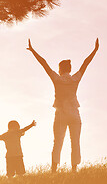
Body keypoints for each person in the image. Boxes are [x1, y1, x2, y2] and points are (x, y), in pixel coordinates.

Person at [27, 38, 99, 172]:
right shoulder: (75, 78)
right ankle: (74, 170)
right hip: (74, 115)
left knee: (58, 142)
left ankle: (54, 170)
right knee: (75, 143)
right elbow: (85, 63)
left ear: (60, 69)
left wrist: (32, 50)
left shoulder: (57, 78)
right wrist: (95, 50)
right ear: (70, 69)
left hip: (61, 114)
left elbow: (44, 64)